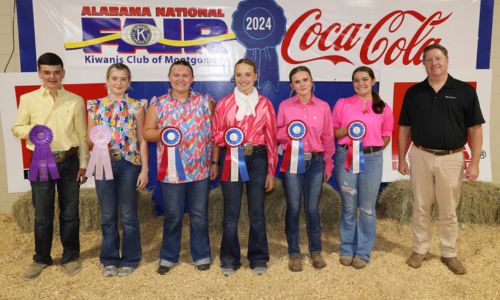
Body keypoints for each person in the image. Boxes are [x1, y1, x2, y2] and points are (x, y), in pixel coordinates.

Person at [398, 44, 484, 275]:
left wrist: (474, 162)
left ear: (446, 60)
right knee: (421, 206)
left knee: (448, 209)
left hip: (452, 158)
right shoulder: (414, 92)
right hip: (420, 155)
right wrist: (402, 157)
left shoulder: (465, 91)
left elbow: (475, 128)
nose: (434, 63)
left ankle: (449, 252)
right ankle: (419, 249)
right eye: (429, 59)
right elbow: (404, 127)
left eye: (438, 58)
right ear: (423, 63)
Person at [11, 52, 89, 279]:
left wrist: (83, 163)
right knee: (43, 214)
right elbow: (17, 127)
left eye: (56, 72)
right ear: (40, 74)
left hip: (70, 162)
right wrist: (33, 132)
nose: (52, 76)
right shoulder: (28, 99)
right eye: (47, 72)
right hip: (41, 161)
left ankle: (71, 256)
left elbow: (82, 134)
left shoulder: (75, 100)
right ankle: (41, 258)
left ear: (63, 73)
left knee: (70, 213)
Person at [144, 60, 217, 275]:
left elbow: (215, 135)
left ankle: (201, 254)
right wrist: (164, 133)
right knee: (173, 215)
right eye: (176, 75)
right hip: (171, 171)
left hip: (200, 170)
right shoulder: (158, 103)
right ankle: (168, 256)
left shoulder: (205, 102)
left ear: (192, 79)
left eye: (185, 75)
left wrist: (214, 162)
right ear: (169, 78)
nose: (180, 79)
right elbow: (147, 132)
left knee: (199, 214)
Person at [212, 58, 277, 276]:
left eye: (247, 74)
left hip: (258, 160)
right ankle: (229, 258)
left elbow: (271, 139)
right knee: (231, 213)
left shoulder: (265, 104)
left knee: (257, 212)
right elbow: (216, 135)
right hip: (231, 158)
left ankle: (258, 257)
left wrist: (271, 170)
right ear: (234, 77)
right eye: (238, 75)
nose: (243, 79)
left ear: (255, 76)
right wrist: (232, 138)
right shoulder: (224, 103)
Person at [86, 63, 148, 277]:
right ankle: (110, 259)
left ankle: (130, 258)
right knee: (107, 214)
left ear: (129, 83)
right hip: (103, 162)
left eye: (123, 79)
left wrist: (145, 169)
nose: (118, 83)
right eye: (114, 78)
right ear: (107, 81)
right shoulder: (95, 106)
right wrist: (100, 139)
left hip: (130, 164)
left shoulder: (137, 106)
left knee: (129, 214)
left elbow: (142, 139)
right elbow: (88, 137)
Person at [332, 66, 394, 269]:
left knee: (367, 208)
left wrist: (372, 150)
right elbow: (334, 131)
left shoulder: (383, 107)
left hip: (372, 160)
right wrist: (347, 132)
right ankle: (346, 248)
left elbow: (386, 135)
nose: (361, 84)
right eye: (356, 80)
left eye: (365, 79)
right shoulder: (342, 104)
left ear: (373, 81)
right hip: (346, 157)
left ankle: (363, 252)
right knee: (349, 206)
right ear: (352, 84)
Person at [276, 66, 334, 272]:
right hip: (292, 161)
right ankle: (293, 253)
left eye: (305, 80)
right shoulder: (285, 106)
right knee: (293, 207)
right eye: (297, 81)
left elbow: (328, 137)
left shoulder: (323, 107)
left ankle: (315, 251)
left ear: (312, 81)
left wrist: (329, 163)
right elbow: (277, 132)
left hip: (316, 163)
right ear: (291, 85)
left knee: (312, 208)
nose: (302, 84)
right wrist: (290, 132)